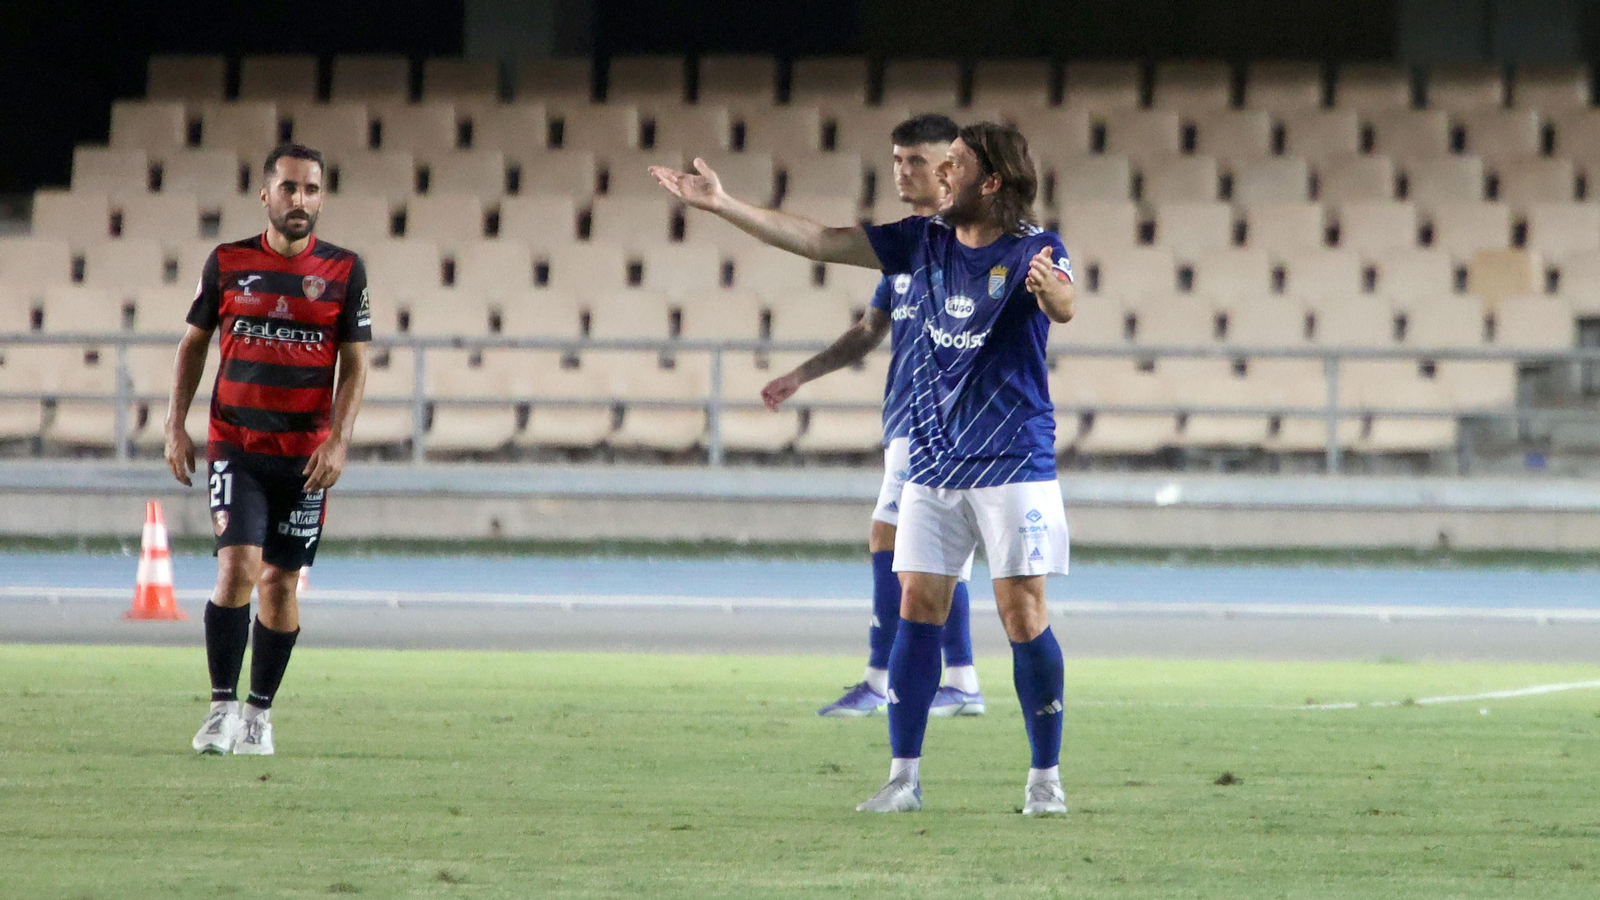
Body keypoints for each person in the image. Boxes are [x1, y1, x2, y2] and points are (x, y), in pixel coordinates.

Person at [652, 122, 1074, 815]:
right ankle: (903, 780)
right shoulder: (922, 241)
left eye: (956, 166)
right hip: (934, 462)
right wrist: (725, 205)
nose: (941, 176)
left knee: (1021, 614)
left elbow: (1064, 302)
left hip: (1011, 460)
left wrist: (1050, 290)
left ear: (990, 181)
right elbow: (820, 241)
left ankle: (1045, 782)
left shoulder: (1036, 248)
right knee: (916, 607)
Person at [760, 114, 984, 719]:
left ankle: (884, 677)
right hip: (907, 422)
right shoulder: (908, 247)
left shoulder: (974, 245)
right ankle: (959, 681)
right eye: (897, 160)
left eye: (917, 160)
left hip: (937, 428)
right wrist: (801, 375)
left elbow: (821, 240)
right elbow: (868, 332)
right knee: (934, 559)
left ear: (953, 168)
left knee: (894, 543)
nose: (902, 171)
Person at [167, 143, 371, 756]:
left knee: (280, 585)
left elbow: (356, 365)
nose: (300, 200)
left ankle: (259, 716)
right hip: (237, 444)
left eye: (311, 189)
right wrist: (176, 424)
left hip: (305, 458)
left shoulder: (345, 271)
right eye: (289, 188)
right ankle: (220, 709)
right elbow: (193, 345)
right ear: (265, 195)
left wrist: (339, 440)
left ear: (322, 196)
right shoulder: (228, 262)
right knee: (237, 568)